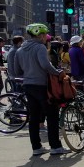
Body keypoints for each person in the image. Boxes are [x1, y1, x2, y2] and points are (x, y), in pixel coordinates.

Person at [11, 23, 68, 155]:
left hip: (28, 85)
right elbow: (45, 65)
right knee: (52, 115)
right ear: (40, 35)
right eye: (44, 35)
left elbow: (16, 71)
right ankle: (55, 147)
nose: (45, 38)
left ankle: (36, 147)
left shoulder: (20, 50)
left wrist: (29, 74)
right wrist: (58, 73)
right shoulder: (40, 48)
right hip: (42, 86)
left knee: (34, 117)